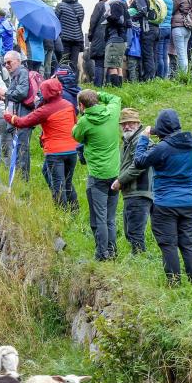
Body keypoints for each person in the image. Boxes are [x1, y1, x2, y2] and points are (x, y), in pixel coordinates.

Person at [133, 109, 192, 284]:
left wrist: (144, 138)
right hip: (188, 201)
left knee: (168, 244)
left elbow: (139, 161)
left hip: (165, 203)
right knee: (188, 244)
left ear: (161, 128)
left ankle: (174, 282)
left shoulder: (163, 148)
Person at [5, 78, 79, 210]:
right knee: (64, 180)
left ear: (46, 93)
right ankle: (74, 211)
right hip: (72, 150)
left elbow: (22, 123)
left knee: (59, 185)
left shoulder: (45, 110)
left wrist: (9, 117)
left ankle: (62, 214)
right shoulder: (68, 105)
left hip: (55, 153)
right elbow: (73, 124)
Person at [72, 89, 122, 261]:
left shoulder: (85, 121)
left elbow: (75, 135)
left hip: (97, 177)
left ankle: (102, 253)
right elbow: (116, 97)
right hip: (115, 175)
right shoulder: (112, 111)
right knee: (110, 217)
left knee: (99, 218)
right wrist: (97, 94)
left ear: (81, 105)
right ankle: (113, 251)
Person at [111, 108, 153, 254]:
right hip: (131, 193)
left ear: (138, 123)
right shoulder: (128, 141)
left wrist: (120, 181)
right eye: (123, 124)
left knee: (135, 234)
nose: (126, 126)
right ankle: (137, 260)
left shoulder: (142, 140)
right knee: (130, 233)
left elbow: (138, 166)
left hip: (139, 191)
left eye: (130, 123)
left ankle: (139, 263)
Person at [0, 51, 32, 181]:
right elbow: (15, 96)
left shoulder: (22, 72)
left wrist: (6, 93)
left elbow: (22, 93)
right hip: (17, 116)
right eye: (5, 62)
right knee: (18, 148)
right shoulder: (16, 74)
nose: (6, 65)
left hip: (22, 117)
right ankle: (19, 178)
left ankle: (23, 180)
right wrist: (4, 98)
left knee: (22, 149)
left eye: (9, 62)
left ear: (18, 61)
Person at [131, 0, 159, 82]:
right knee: (154, 54)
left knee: (147, 56)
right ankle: (154, 77)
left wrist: (132, 18)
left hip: (147, 29)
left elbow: (143, 11)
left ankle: (149, 79)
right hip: (156, 28)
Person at [104, 0, 130, 88]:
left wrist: (107, 16)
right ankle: (119, 88)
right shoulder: (124, 4)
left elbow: (116, 19)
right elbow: (128, 23)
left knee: (112, 66)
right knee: (118, 66)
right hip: (122, 39)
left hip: (114, 39)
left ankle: (115, 88)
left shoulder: (114, 4)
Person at [55, 0, 85, 72]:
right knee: (73, 63)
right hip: (77, 40)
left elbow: (55, 21)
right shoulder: (80, 7)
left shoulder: (60, 6)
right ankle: (73, 81)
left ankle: (63, 81)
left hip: (64, 39)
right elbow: (80, 22)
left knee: (63, 62)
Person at [87, 0, 110, 87]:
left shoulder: (100, 5)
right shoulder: (118, 4)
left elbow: (93, 21)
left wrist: (90, 36)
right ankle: (110, 85)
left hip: (99, 37)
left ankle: (98, 86)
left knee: (99, 63)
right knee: (111, 63)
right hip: (112, 38)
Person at [171, 0, 192, 75]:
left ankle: (183, 77)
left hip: (178, 27)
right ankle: (186, 75)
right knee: (184, 53)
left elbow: (172, 10)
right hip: (187, 28)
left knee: (180, 54)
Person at [154, 0, 173, 78]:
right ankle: (165, 76)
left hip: (160, 27)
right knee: (165, 54)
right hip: (168, 28)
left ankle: (160, 76)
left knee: (159, 55)